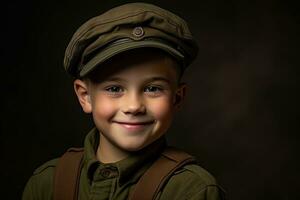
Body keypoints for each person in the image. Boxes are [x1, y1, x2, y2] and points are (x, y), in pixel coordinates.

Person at [22, 2, 226, 200]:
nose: (134, 106)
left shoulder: (191, 191)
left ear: (177, 98)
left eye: (152, 88)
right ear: (85, 97)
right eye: (114, 89)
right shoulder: (47, 183)